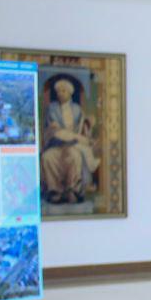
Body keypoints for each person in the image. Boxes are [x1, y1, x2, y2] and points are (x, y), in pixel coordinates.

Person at [41, 74, 100, 205]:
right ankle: (55, 191)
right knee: (47, 157)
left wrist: (87, 125)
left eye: (63, 91)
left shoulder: (77, 109)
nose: (60, 94)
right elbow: (54, 130)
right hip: (56, 144)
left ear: (69, 93)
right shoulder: (52, 108)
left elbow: (82, 127)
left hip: (73, 145)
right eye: (58, 91)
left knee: (75, 156)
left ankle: (73, 190)